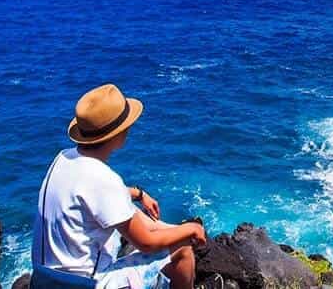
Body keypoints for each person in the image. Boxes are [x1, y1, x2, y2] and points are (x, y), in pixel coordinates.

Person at [31, 84, 206, 289]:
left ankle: (171, 232)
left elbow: (95, 195)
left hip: (44, 279)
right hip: (85, 285)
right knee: (182, 249)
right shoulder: (104, 179)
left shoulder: (62, 159)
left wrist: (138, 194)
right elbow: (146, 243)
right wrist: (190, 229)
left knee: (130, 213)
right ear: (118, 134)